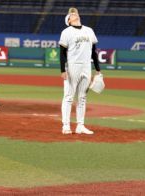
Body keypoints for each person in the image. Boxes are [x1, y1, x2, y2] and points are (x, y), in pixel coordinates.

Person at [59, 7, 101, 135]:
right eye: (71, 14)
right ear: (69, 20)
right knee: (68, 96)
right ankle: (66, 126)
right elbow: (62, 52)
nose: (74, 14)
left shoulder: (89, 30)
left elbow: (94, 51)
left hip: (86, 66)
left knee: (82, 97)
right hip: (72, 66)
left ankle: (80, 126)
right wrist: (62, 70)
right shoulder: (66, 32)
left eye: (75, 13)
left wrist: (98, 70)